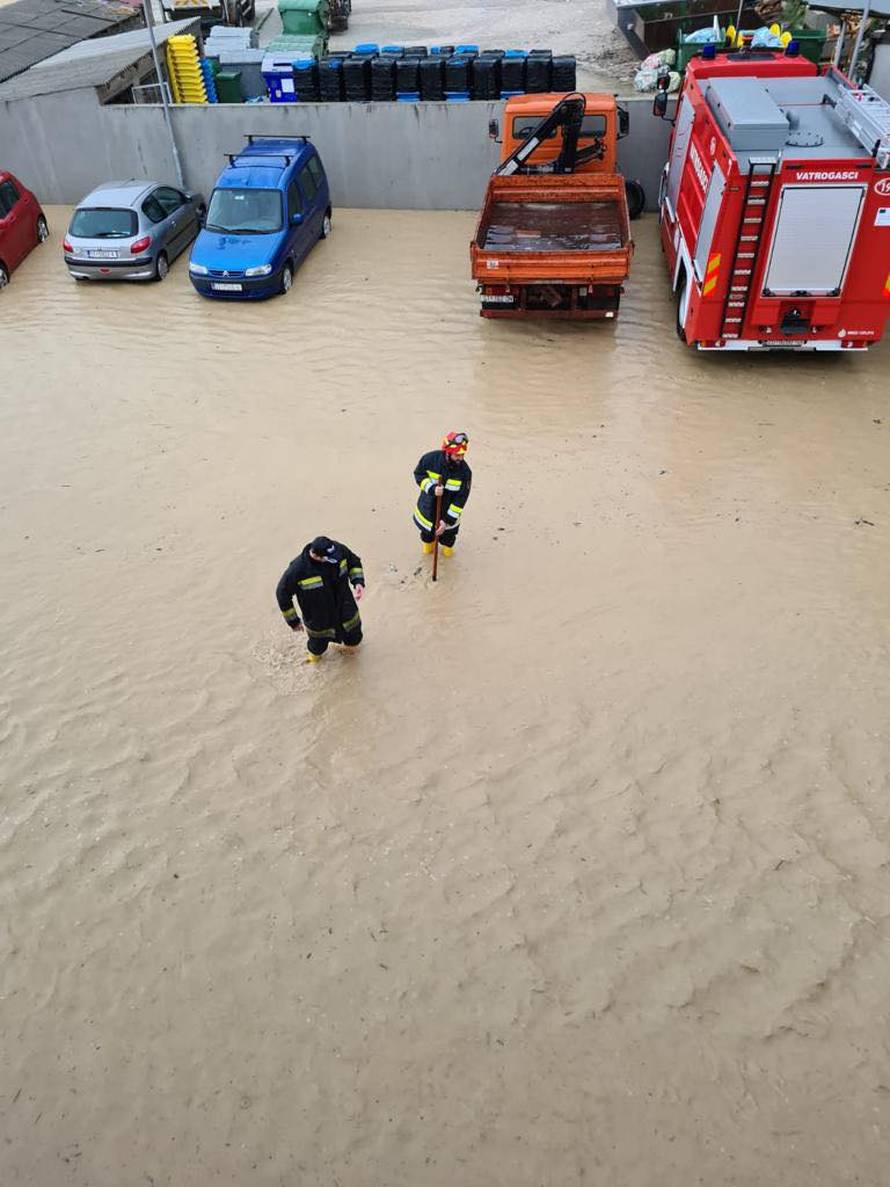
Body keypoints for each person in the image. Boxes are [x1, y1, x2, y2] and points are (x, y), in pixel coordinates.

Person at [276, 536, 365, 663]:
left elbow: (354, 562)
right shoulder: (298, 569)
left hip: (346, 608)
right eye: (328, 558)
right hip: (319, 619)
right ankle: (313, 664)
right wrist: (294, 621)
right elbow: (282, 593)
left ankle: (351, 662)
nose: (333, 560)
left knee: (354, 638)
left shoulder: (339, 551)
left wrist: (358, 582)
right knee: (317, 648)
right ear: (315, 555)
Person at [413, 431, 472, 556]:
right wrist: (432, 488)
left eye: (462, 455)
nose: (460, 458)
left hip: (448, 514)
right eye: (457, 455)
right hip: (427, 510)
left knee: (448, 541)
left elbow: (460, 500)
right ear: (448, 452)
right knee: (427, 537)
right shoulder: (429, 460)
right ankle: (427, 555)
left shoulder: (465, 472)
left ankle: (447, 557)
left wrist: (446, 521)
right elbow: (419, 475)